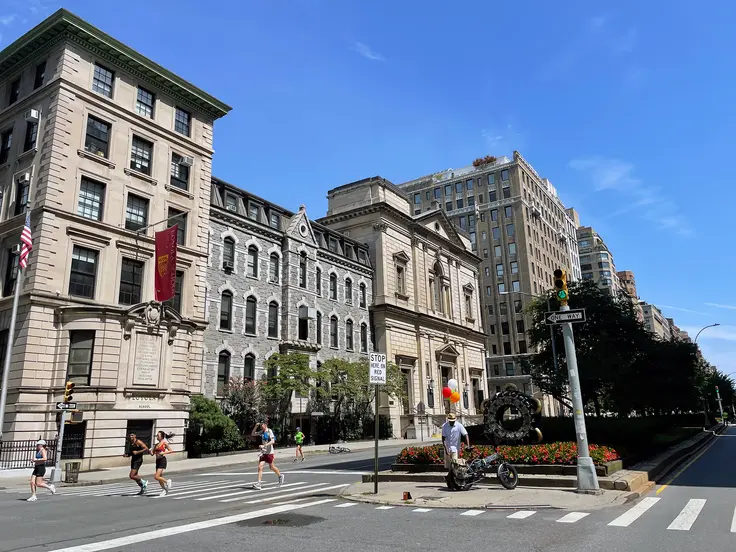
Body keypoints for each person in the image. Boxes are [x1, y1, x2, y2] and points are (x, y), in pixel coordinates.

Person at [251, 422, 284, 490]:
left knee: (271, 467)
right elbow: (253, 434)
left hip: (269, 452)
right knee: (260, 466)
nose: (261, 426)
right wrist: (255, 427)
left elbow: (273, 441)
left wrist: (264, 445)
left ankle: (280, 476)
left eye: (262, 425)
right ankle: (259, 483)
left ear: (265, 425)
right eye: (260, 425)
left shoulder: (269, 431)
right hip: (264, 452)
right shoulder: (262, 432)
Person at [150, 431, 174, 496]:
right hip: (157, 461)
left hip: (162, 460)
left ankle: (167, 481)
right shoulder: (156, 445)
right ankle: (164, 490)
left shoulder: (164, 443)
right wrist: (150, 451)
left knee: (156, 477)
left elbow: (171, 451)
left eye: (158, 435)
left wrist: (163, 453)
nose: (157, 436)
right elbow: (152, 454)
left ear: (162, 436)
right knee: (159, 478)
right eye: (157, 435)